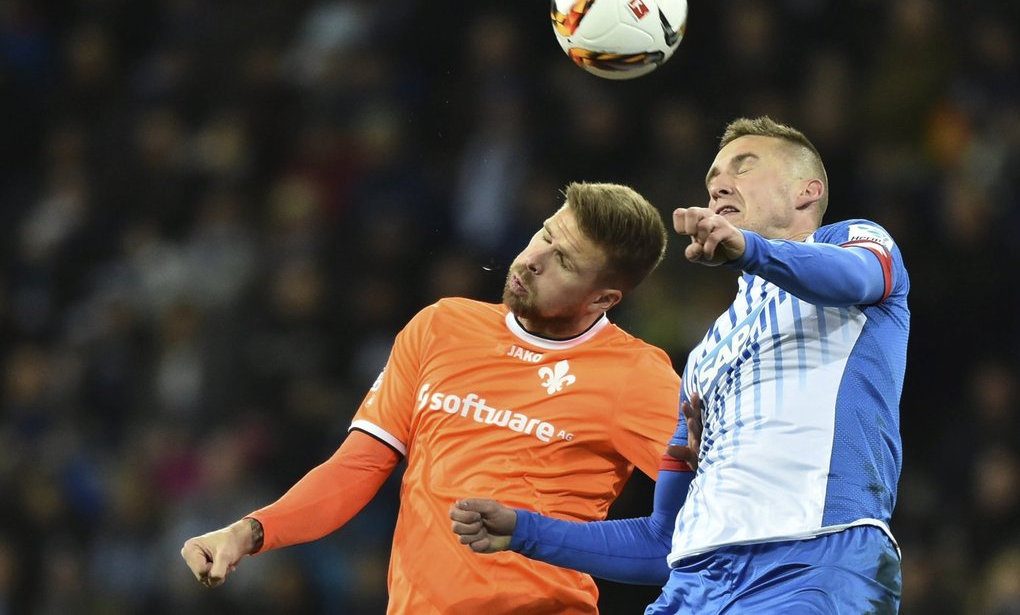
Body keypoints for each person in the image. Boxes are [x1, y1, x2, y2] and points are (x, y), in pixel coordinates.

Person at [451, 116, 911, 613]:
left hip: (812, 564)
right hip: (694, 589)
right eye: (713, 177)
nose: (719, 184)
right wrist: (525, 530)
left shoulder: (855, 244)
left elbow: (854, 278)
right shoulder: (705, 356)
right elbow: (662, 541)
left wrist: (749, 250)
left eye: (744, 166)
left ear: (807, 191)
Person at [180, 181, 686, 614]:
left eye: (564, 262)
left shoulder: (636, 376)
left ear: (603, 299)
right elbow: (356, 468)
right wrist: (246, 534)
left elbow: (714, 518)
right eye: (545, 234)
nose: (533, 260)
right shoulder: (442, 326)